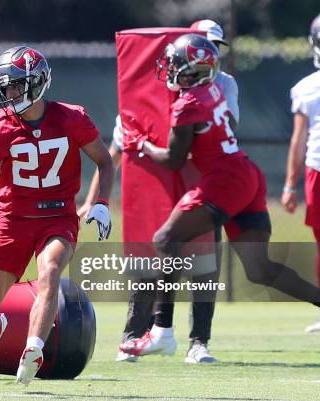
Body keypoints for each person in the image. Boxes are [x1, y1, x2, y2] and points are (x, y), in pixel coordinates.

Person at [120, 33, 320, 356]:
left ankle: (161, 332)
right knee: (259, 268)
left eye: (175, 64)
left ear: (193, 70)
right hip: (246, 174)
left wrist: (140, 143)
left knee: (164, 239)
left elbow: (173, 160)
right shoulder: (212, 90)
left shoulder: (187, 104)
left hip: (225, 179)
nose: (169, 68)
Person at [80, 20, 240, 364]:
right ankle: (135, 335)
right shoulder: (145, 96)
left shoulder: (223, 86)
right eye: (202, 46)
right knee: (147, 257)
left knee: (204, 263)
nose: (209, 56)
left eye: (214, 48)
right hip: (157, 185)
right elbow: (117, 152)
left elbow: (224, 130)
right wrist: (97, 200)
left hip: (205, 181)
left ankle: (200, 342)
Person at [0, 46, 115, 385]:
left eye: (15, 85)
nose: (8, 93)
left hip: (57, 216)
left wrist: (101, 202)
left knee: (52, 269)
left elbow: (105, 161)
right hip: (12, 221)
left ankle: (34, 347)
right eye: (5, 86)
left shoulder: (71, 118)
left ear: (38, 82)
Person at [281, 13, 320, 333]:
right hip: (317, 168)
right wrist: (290, 185)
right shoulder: (305, 88)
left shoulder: (305, 86)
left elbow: (298, 139)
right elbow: (299, 139)